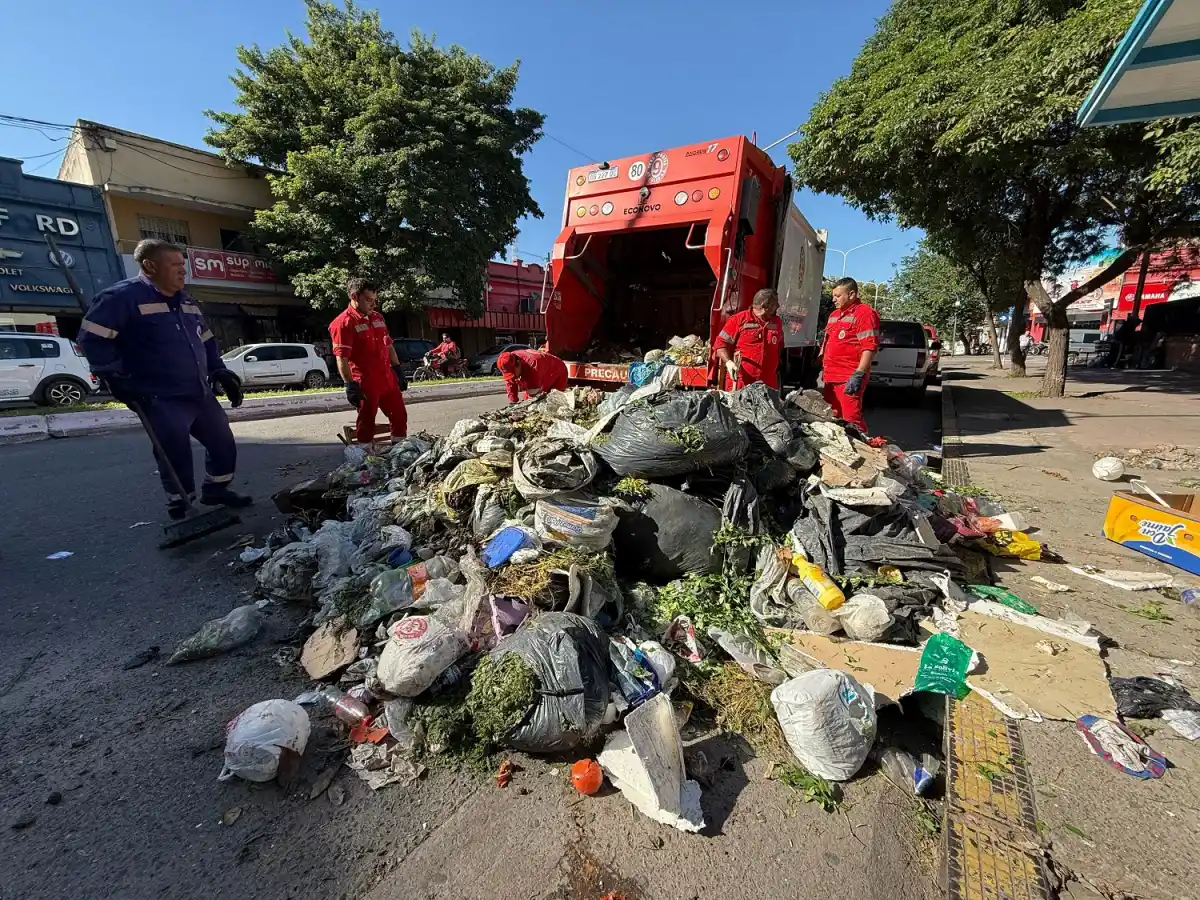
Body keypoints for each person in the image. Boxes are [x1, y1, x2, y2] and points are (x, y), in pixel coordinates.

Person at [77, 239, 249, 519]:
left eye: (183, 265)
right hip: (157, 395)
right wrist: (116, 377)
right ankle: (182, 504)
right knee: (174, 451)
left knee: (223, 443)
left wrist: (219, 370)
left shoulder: (187, 301)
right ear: (150, 266)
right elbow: (92, 339)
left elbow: (205, 341)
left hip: (198, 392)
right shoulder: (121, 298)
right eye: (175, 265)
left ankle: (216, 489)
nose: (183, 271)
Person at [329, 277, 408, 444]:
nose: (373, 305)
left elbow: (388, 345)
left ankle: (400, 452)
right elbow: (341, 357)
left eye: (375, 300)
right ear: (354, 296)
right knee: (367, 421)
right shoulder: (343, 323)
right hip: (365, 381)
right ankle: (366, 457)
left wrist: (397, 369)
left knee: (399, 415)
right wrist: (349, 384)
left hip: (387, 378)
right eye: (368, 300)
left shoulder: (378, 318)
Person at [821, 277, 880, 433]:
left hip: (848, 376)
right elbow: (828, 342)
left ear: (852, 294)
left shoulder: (865, 314)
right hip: (831, 376)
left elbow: (869, 347)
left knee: (851, 420)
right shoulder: (834, 315)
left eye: (838, 296)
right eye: (833, 295)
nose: (834, 299)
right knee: (832, 418)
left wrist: (859, 374)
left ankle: (864, 453)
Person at [714, 287, 784, 390]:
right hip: (742, 383)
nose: (778, 306)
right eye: (775, 304)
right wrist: (728, 362)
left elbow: (780, 345)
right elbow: (720, 344)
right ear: (765, 306)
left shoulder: (776, 322)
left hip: (767, 384)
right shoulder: (738, 320)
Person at [497, 348, 568, 402]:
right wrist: (513, 402)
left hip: (557, 371)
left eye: (513, 373)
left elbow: (534, 398)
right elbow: (510, 383)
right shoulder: (508, 360)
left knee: (554, 401)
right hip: (541, 370)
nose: (513, 376)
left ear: (518, 364)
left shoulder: (533, 366)